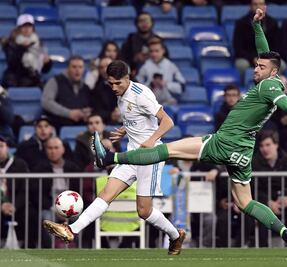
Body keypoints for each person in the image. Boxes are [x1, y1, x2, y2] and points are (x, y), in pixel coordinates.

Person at [91, 8, 287, 256]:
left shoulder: (270, 85)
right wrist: (257, 26)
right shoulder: (269, 79)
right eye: (256, 65)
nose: (255, 69)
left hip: (225, 142)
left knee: (167, 149)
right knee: (246, 202)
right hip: (243, 151)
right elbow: (264, 52)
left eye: (260, 67)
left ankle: (111, 158)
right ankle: (286, 233)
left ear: (272, 72)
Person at [43, 60, 186, 255]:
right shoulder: (120, 95)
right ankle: (70, 230)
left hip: (149, 157)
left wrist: (151, 140)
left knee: (143, 211)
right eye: (110, 83)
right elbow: (139, 121)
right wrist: (125, 131)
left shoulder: (141, 95)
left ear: (128, 78)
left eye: (118, 83)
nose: (114, 87)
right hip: (130, 155)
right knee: (105, 195)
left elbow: (167, 122)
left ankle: (176, 236)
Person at [252, 130, 287, 247]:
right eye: (261, 146)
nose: (264, 149)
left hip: (285, 202)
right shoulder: (254, 163)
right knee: (260, 211)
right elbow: (254, 188)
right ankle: (262, 249)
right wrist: (268, 202)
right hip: (265, 202)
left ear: (276, 145)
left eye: (268, 145)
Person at [32, 137, 81, 248]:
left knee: (79, 217)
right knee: (46, 217)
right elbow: (37, 194)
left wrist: (68, 209)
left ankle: (76, 247)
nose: (53, 151)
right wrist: (53, 208)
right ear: (45, 150)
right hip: (49, 207)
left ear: (63, 149)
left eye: (56, 148)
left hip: (71, 208)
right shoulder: (39, 168)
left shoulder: (73, 168)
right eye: (50, 148)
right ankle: (52, 249)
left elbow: (78, 191)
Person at [233, 0, 282, 81]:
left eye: (261, 4)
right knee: (241, 64)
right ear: (250, 6)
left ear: (265, 7)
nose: (258, 6)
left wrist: (268, 58)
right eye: (255, 4)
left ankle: (273, 86)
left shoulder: (272, 23)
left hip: (268, 56)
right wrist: (252, 58)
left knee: (281, 64)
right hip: (247, 58)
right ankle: (242, 86)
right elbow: (237, 47)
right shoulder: (241, 23)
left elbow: (277, 46)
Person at [41, 56, 92, 130]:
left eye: (80, 67)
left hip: (81, 127)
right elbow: (46, 102)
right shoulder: (55, 81)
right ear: (67, 68)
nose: (77, 70)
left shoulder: (85, 87)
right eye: (74, 67)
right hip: (57, 126)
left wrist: (84, 113)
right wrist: (68, 113)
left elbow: (89, 106)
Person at [1, 14, 52, 88]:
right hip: (14, 80)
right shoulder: (10, 43)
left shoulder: (37, 43)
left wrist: (47, 63)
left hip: (32, 79)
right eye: (24, 26)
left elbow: (43, 69)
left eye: (29, 26)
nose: (27, 29)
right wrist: (22, 48)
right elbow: (12, 63)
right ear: (19, 28)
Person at [136, 38, 185, 102]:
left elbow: (182, 87)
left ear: (163, 51)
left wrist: (166, 84)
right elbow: (136, 88)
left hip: (168, 102)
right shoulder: (144, 67)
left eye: (157, 51)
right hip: (149, 103)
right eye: (151, 51)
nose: (154, 54)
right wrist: (150, 85)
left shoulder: (171, 66)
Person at [89, 57, 120, 124]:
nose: (104, 70)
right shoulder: (97, 89)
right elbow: (96, 111)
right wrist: (110, 115)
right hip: (108, 124)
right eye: (101, 67)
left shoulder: (129, 83)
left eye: (107, 66)